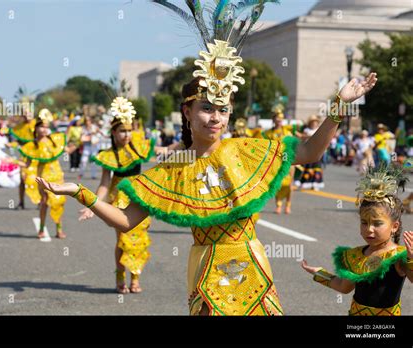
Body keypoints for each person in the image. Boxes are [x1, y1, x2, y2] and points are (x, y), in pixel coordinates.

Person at [35, 0, 377, 315]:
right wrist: (79, 191)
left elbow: (309, 151)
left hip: (253, 267)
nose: (215, 117)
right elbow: (125, 221)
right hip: (205, 271)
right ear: (187, 111)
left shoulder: (247, 150)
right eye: (207, 108)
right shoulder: (173, 169)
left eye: (223, 109)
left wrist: (339, 106)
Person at [302, 164, 413, 315]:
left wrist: (412, 259)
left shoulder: (399, 257)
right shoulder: (356, 256)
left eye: (377, 223)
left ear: (394, 226)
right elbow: (344, 287)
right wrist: (319, 273)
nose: (369, 229)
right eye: (364, 223)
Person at [83, 97, 156, 294]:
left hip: (139, 197)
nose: (126, 134)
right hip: (119, 198)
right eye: (122, 131)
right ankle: (120, 275)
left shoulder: (139, 147)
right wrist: (93, 205)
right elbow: (104, 184)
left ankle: (136, 277)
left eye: (129, 130)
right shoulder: (107, 155)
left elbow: (164, 151)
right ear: (113, 132)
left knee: (139, 239)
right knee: (123, 240)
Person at [19, 109, 68, 239]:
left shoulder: (54, 141)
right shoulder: (32, 145)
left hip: (57, 174)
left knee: (58, 201)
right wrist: (13, 162)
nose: (44, 129)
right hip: (42, 176)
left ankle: (59, 229)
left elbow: (66, 150)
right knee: (45, 202)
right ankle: (41, 228)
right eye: (41, 126)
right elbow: (27, 164)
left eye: (46, 127)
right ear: (36, 128)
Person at [262, 105, 302, 214]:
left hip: (289, 160)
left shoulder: (288, 129)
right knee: (278, 183)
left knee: (289, 184)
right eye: (277, 118)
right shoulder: (268, 133)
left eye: (281, 118)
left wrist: (308, 137)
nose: (279, 120)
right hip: (276, 161)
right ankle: (278, 204)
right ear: (273, 119)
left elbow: (300, 136)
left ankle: (288, 205)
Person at [10, 111, 36, 209]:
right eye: (24, 114)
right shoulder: (19, 127)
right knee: (22, 179)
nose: (26, 116)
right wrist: (12, 144)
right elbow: (17, 141)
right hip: (25, 156)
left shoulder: (37, 125)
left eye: (28, 114)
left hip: (37, 155)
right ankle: (21, 202)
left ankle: (40, 201)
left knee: (37, 179)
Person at [299, 115, 325, 191]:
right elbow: (302, 138)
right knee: (308, 167)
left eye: (315, 122)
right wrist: (308, 136)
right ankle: (304, 183)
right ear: (310, 123)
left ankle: (315, 184)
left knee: (316, 168)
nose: (314, 124)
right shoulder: (306, 130)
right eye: (313, 122)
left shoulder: (319, 130)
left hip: (317, 151)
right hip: (308, 151)